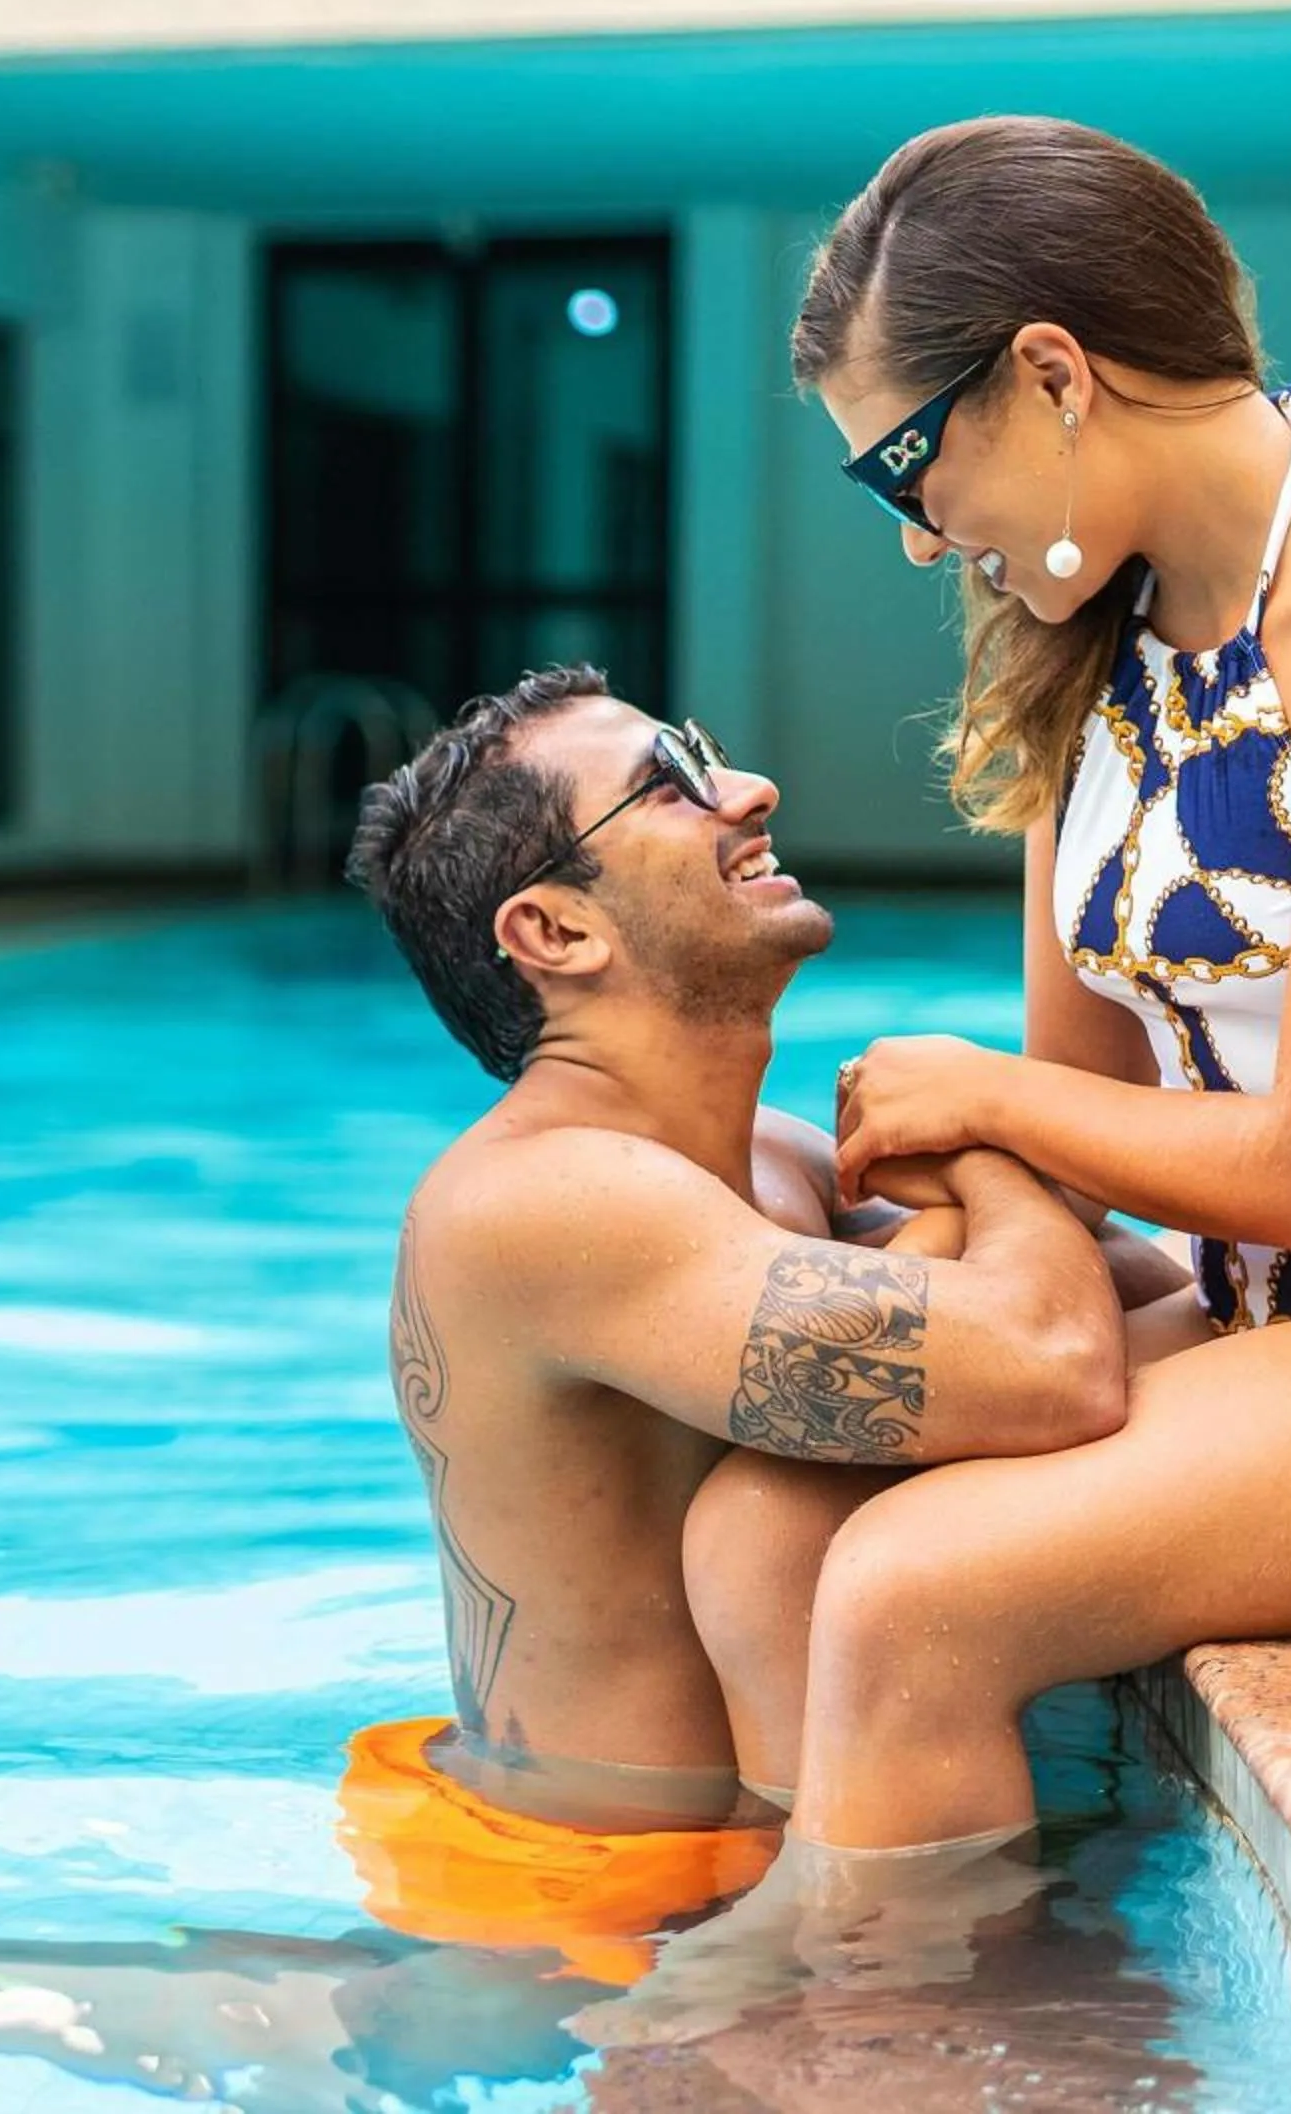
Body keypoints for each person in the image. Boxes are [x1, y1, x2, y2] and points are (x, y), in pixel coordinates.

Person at [698, 114, 1291, 1863]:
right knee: (770, 1521)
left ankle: (887, 2044)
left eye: (905, 469)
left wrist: (982, 1099)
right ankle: (831, 1955)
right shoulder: (1096, 638)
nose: (920, 537)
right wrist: (905, 1229)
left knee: (917, 1593)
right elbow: (1093, 1118)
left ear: (1049, 373)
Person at [331, 665, 1186, 1973]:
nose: (749, 788)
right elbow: (1055, 1360)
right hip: (594, 1908)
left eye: (711, 753)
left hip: (746, 1851)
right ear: (554, 931)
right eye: (670, 783)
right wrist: (997, 1125)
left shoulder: (768, 1163)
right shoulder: (545, 1202)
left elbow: (1161, 1308)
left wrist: (976, 1171)